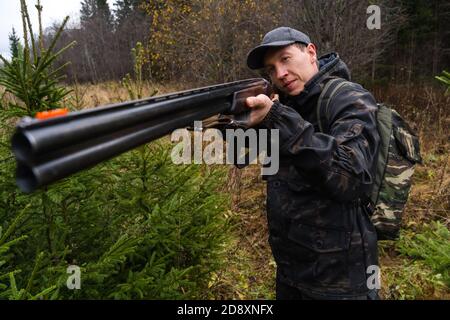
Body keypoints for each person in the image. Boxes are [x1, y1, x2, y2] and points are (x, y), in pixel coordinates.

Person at [244, 27, 381, 300]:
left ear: (311, 52)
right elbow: (249, 152)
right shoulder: (287, 105)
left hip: (341, 282)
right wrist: (223, 125)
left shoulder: (349, 98)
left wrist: (278, 118)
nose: (280, 74)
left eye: (285, 59)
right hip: (291, 273)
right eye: (271, 69)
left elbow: (351, 177)